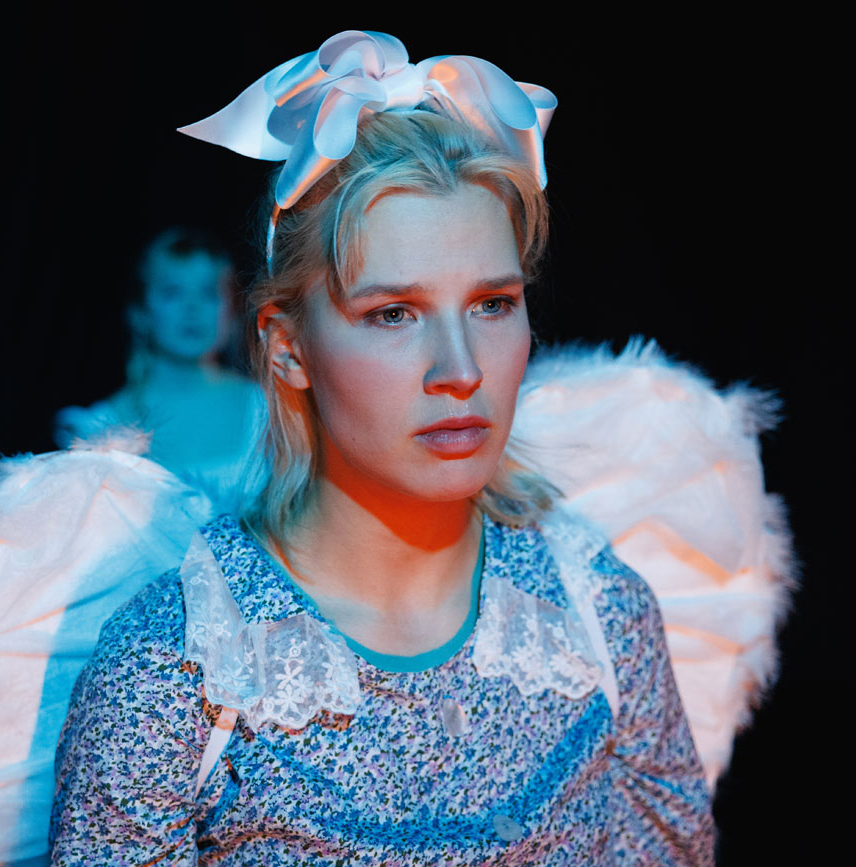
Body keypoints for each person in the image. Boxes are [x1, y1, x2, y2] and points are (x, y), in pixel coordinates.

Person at [48, 31, 717, 864]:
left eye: (492, 303)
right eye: (393, 314)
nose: (461, 369)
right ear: (287, 347)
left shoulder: (601, 616)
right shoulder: (170, 674)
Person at [54, 227, 264, 512]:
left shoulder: (267, 411)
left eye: (208, 293)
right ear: (140, 311)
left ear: (230, 309)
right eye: (172, 293)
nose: (192, 308)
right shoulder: (98, 429)